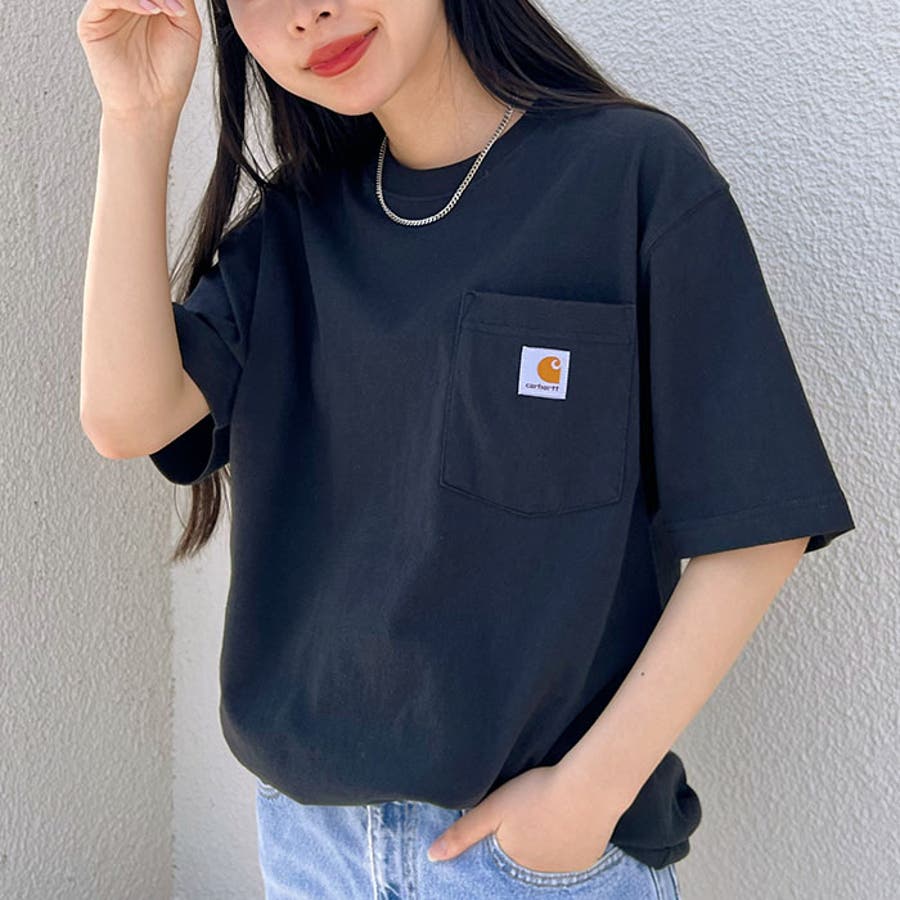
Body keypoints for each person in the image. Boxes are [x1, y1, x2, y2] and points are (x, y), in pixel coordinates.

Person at [77, 1, 856, 897]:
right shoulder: (292, 227)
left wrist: (588, 795)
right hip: (312, 850)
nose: (307, 13)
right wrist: (135, 118)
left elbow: (757, 521)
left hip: (531, 861)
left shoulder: (629, 177)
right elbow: (127, 418)